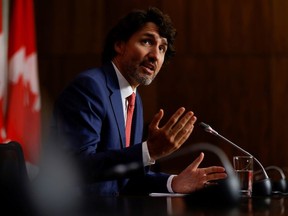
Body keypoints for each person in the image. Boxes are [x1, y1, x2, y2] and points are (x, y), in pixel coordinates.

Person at [51, 7, 227, 196]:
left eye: (162, 48)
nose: (155, 55)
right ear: (120, 45)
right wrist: (148, 151)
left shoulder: (134, 99)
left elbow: (125, 178)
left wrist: (173, 183)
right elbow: (76, 168)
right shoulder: (90, 87)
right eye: (147, 41)